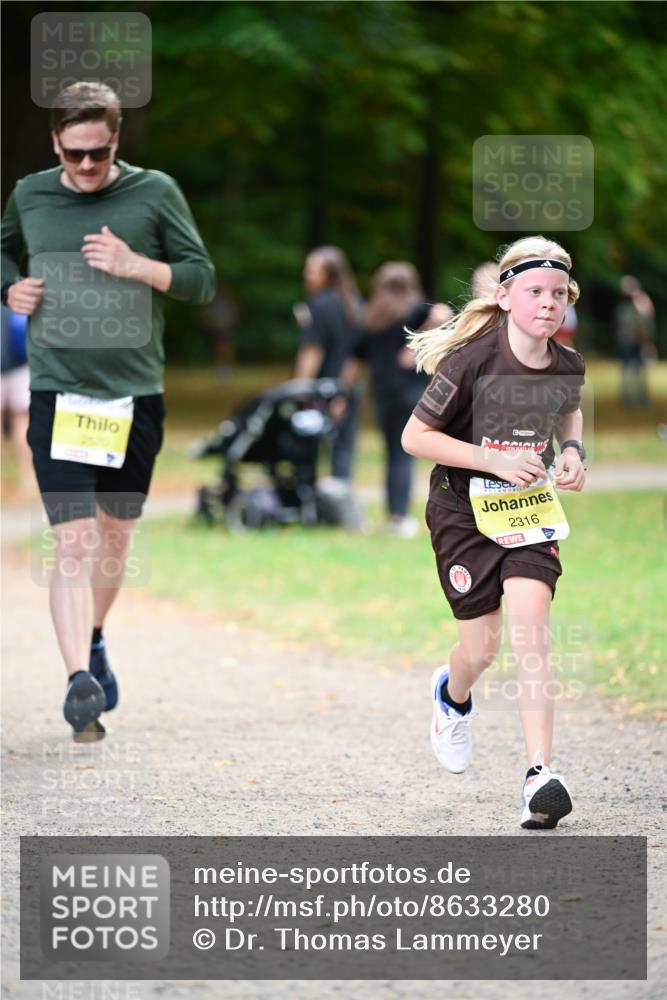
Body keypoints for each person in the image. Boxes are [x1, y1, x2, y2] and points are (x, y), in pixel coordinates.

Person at [1, 81, 216, 741]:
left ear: (116, 139)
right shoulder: (30, 194)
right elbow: (3, 250)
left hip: (134, 396)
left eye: (99, 152)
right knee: (72, 540)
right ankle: (78, 681)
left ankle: (94, 637)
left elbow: (200, 278)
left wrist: (136, 265)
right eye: (75, 154)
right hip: (58, 391)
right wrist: (11, 287)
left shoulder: (156, 192)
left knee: (115, 534)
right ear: (55, 143)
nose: (88, 165)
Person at [402, 235, 586, 829]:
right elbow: (414, 437)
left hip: (527, 509)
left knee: (532, 634)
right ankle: (451, 696)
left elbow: (568, 410)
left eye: (557, 294)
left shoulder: (567, 364)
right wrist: (494, 459)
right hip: (462, 511)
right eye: (534, 292)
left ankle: (539, 776)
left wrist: (573, 451)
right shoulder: (471, 361)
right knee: (480, 648)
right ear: (505, 297)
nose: (547, 303)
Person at [344, 262, 451, 537]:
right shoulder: (418, 310)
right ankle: (400, 516)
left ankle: (392, 515)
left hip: (382, 394)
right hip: (412, 393)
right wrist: (418, 340)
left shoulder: (371, 316)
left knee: (392, 452)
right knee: (404, 455)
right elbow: (445, 315)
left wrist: (341, 393)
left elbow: (355, 359)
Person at [293, 246, 363, 480]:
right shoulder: (356, 304)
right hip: (348, 385)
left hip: (319, 388)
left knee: (308, 447)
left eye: (312, 270)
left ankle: (308, 492)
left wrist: (299, 389)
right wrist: (343, 391)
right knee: (343, 449)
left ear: (329, 274)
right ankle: (340, 493)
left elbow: (312, 351)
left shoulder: (318, 304)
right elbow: (357, 355)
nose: (306, 274)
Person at [1, 304, 33, 496]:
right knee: (21, 421)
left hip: (15, 365)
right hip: (19, 365)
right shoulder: (13, 294)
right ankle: (26, 478)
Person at [614, 275, 655, 407]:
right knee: (629, 370)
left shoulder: (642, 303)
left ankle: (640, 398)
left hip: (637, 343)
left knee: (639, 371)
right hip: (627, 342)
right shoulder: (626, 306)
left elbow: (645, 326)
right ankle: (629, 398)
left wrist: (645, 341)